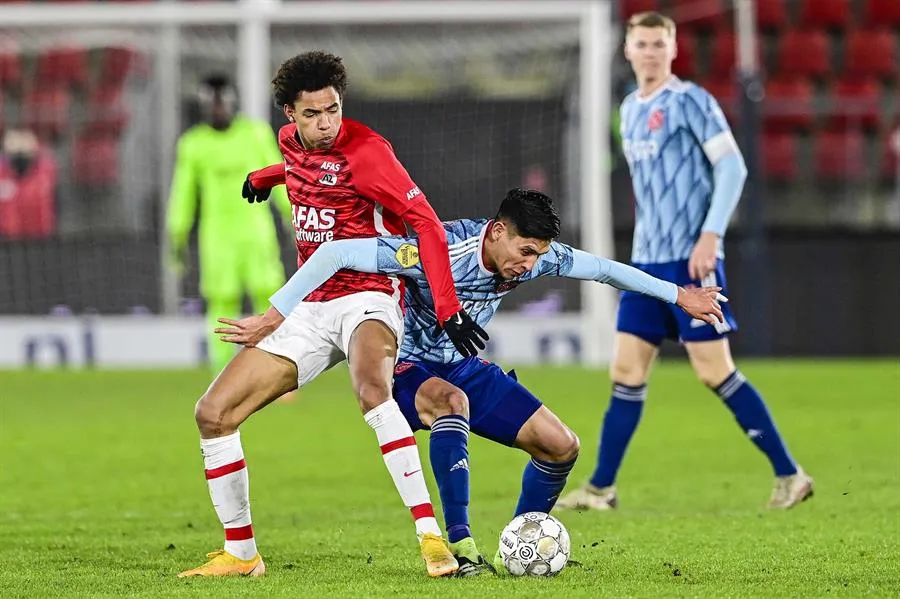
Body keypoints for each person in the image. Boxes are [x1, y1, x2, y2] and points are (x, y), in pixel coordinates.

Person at [216, 188, 726, 575]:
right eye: (524, 251)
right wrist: (278, 313)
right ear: (496, 232)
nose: (529, 266)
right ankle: (460, 546)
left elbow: (608, 271)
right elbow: (338, 255)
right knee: (450, 401)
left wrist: (680, 297)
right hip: (404, 366)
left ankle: (522, 539)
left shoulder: (536, 255)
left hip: (460, 364)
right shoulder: (437, 247)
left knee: (561, 446)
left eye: (537, 256)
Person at [178, 51, 486, 579]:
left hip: (369, 296)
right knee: (213, 413)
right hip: (313, 304)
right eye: (313, 114)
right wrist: (267, 176)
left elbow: (427, 225)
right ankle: (242, 554)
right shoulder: (287, 143)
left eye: (333, 110)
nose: (326, 124)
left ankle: (431, 539)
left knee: (372, 391)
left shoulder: (369, 152)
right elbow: (306, 167)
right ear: (289, 115)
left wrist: (448, 309)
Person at [556, 12, 813, 512]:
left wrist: (710, 235)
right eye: (642, 43)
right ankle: (601, 488)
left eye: (659, 44)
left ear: (672, 50)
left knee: (714, 370)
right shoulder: (629, 108)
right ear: (627, 51)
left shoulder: (691, 100)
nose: (650, 52)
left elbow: (733, 167)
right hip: (646, 266)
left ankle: (790, 474)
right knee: (626, 370)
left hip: (690, 262)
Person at [166, 73, 292, 376]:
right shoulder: (194, 144)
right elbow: (183, 192)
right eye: (212, 104)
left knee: (270, 296)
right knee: (221, 303)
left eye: (222, 103)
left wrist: (293, 217)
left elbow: (279, 177)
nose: (218, 109)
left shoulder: (255, 134)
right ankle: (223, 375)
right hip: (218, 237)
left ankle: (278, 370)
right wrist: (177, 233)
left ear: (233, 102)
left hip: (256, 232)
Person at [0, 128, 57, 239]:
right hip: (6, 241)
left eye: (24, 153)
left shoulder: (45, 173)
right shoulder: (2, 175)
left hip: (40, 239)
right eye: (15, 153)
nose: (20, 157)